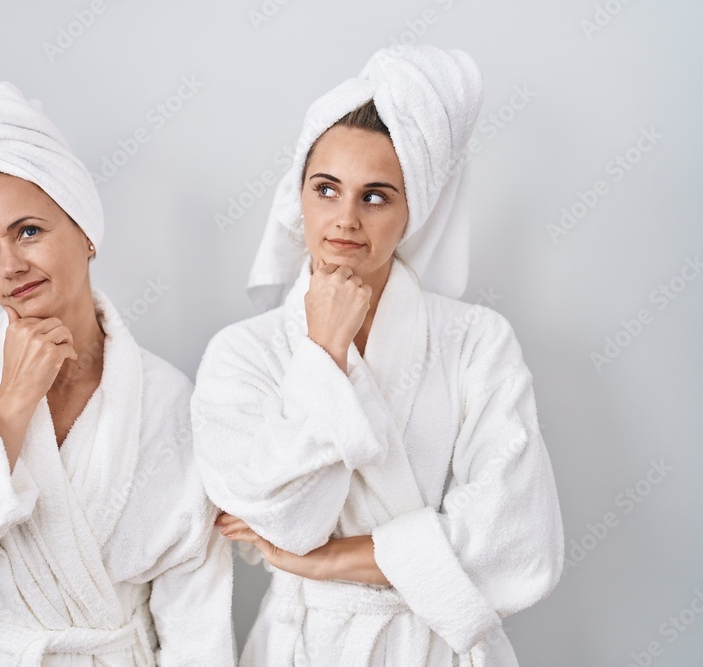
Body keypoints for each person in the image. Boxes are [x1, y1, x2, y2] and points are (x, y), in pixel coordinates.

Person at [191, 45, 564, 666]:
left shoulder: (476, 341)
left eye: (376, 196)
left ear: (414, 211)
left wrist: (333, 558)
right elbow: (288, 522)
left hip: (432, 645)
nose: (344, 220)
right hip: (301, 646)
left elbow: (518, 540)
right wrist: (324, 351)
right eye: (327, 189)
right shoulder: (243, 352)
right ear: (298, 196)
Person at [0, 81, 235, 666]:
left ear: (85, 232)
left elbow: (193, 604)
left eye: (28, 231)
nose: (9, 266)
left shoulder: (164, 398)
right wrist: (9, 403)